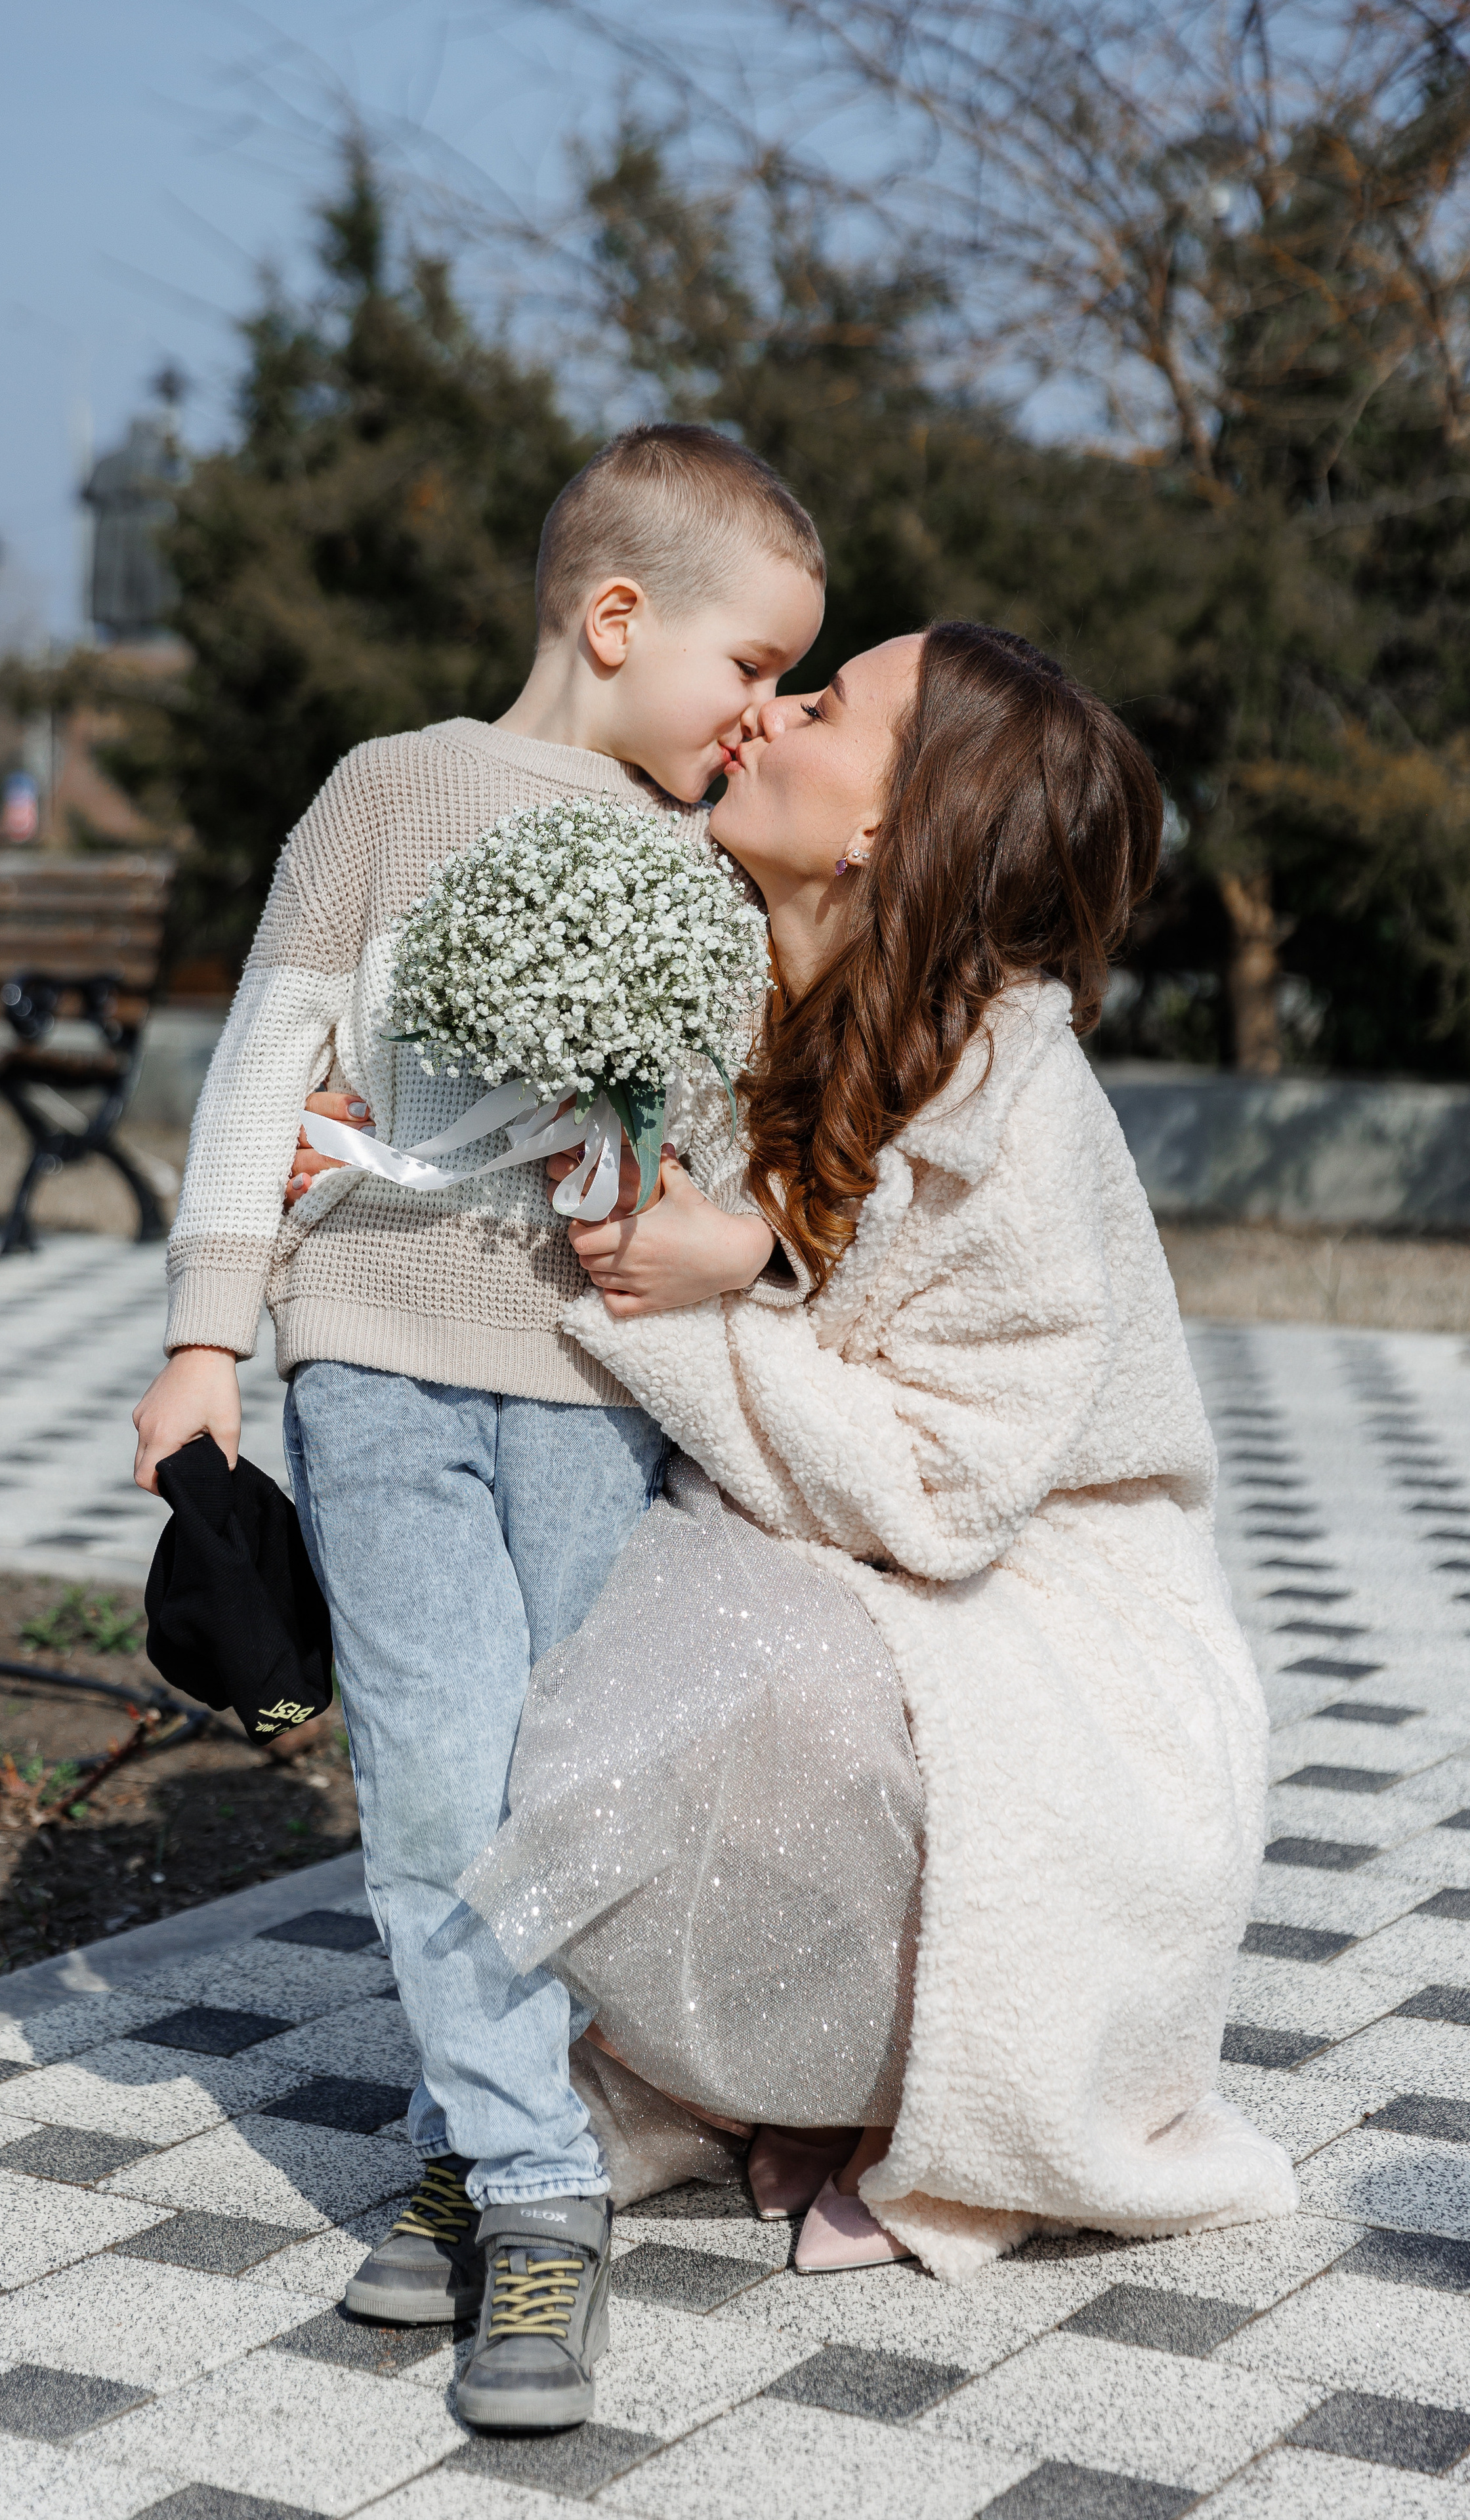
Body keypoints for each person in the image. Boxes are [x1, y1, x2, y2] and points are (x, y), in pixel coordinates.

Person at [453, 621, 1298, 2280]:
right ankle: (748, 2066)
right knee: (584, 1631)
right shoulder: (689, 958)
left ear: (885, 831)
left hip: (1047, 1585)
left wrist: (716, 1297)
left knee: (772, 1680)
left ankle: (887, 2080)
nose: (767, 708)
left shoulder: (1012, 1102)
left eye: (828, 705)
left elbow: (940, 1486)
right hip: (805, 1526)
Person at [131, 423, 819, 2431]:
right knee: (435, 1769)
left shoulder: (703, 873)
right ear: (618, 619)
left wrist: (724, 1241)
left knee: (561, 1777)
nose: (760, 716)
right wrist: (208, 1337)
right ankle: (537, 2198)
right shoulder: (392, 793)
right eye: (751, 667)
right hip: (375, 1353)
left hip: (597, 1394)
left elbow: (743, 1155)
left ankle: (467, 2132)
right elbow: (269, 1062)